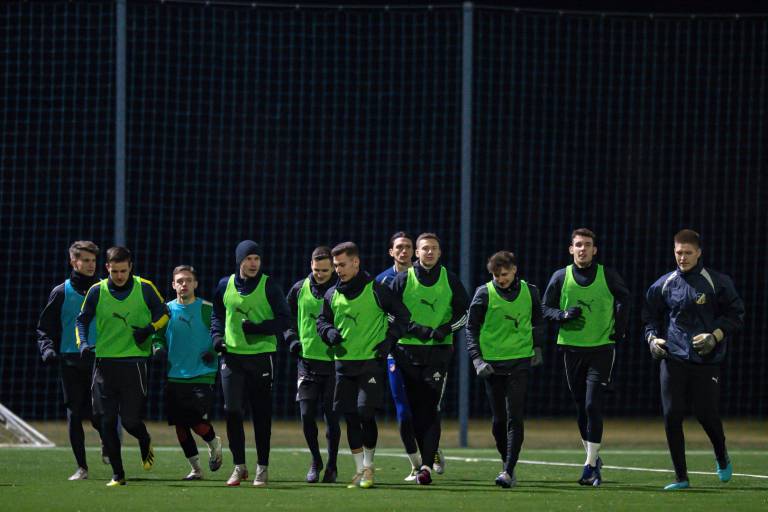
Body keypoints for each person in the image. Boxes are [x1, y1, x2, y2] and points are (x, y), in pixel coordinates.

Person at [642, 229, 744, 490]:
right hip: (673, 357)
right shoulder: (664, 284)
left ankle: (721, 455)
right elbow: (649, 316)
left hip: (706, 360)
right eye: (679, 252)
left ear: (699, 253)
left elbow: (736, 315)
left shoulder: (717, 282)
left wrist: (715, 336)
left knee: (706, 414)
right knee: (671, 415)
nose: (682, 257)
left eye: (688, 253)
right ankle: (681, 477)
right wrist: (652, 339)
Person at [316, 242, 410, 489]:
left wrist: (388, 341)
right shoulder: (332, 294)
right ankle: (359, 470)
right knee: (350, 417)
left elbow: (403, 315)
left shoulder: (377, 289)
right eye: (336, 265)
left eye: (342, 265)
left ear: (356, 262)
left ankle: (369, 467)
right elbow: (322, 321)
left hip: (370, 363)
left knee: (365, 412)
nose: (338, 270)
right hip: (343, 364)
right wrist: (328, 332)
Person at [542, 228, 629, 487]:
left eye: (587, 245)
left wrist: (620, 328)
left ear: (594, 250)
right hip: (571, 349)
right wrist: (562, 315)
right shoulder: (561, 276)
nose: (583, 249)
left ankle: (590, 466)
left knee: (592, 405)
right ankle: (593, 458)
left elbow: (624, 299)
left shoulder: (608, 275)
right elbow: (544, 308)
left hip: (601, 349)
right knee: (581, 406)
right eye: (578, 245)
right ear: (571, 249)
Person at [76, 246, 169, 486]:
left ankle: (144, 438)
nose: (119, 275)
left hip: (134, 364)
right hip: (104, 364)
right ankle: (118, 474)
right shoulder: (97, 291)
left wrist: (149, 329)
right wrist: (83, 343)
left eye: (123, 271)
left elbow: (164, 313)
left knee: (129, 422)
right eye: (114, 271)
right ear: (107, 267)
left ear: (130, 267)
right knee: (104, 421)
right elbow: (82, 320)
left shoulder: (145, 287)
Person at [389, 233, 469, 485]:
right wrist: (414, 329)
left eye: (434, 248)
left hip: (438, 352)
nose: (430, 252)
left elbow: (465, 313)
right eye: (425, 248)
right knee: (411, 412)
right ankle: (424, 456)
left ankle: (424, 467)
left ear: (440, 252)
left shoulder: (450, 279)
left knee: (431, 408)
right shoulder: (403, 280)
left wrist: (446, 329)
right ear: (417, 253)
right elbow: (388, 313)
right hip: (406, 352)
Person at [210, 240, 290, 487]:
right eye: (248, 259)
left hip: (261, 357)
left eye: (257, 258)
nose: (253, 263)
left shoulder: (270, 286)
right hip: (232, 357)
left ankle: (262, 468)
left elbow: (285, 320)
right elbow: (217, 314)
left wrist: (258, 328)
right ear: (239, 261)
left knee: (261, 413)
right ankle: (239, 466)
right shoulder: (224, 285)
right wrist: (217, 337)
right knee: (232, 411)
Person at [466, 251, 544, 488]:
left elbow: (538, 321)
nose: (500, 279)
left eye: (504, 274)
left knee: (514, 417)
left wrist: (537, 347)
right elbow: (471, 328)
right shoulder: (483, 293)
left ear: (514, 270)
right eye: (496, 275)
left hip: (520, 361)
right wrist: (477, 360)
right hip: (492, 365)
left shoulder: (531, 292)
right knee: (498, 421)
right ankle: (505, 461)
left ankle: (508, 470)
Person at [36, 241, 106, 480]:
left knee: (99, 413)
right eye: (85, 260)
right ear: (73, 262)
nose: (90, 265)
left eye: (93, 260)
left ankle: (106, 441)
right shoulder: (61, 292)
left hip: (100, 358)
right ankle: (82, 468)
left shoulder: (105, 290)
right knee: (74, 413)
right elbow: (44, 328)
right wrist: (47, 349)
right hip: (70, 361)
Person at [152, 265, 223, 481]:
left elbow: (222, 333)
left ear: (196, 284)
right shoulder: (165, 310)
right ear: (173, 285)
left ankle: (214, 442)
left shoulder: (207, 309)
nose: (184, 284)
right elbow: (157, 336)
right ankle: (196, 469)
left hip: (202, 374)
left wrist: (214, 351)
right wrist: (158, 348)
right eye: (180, 281)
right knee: (180, 426)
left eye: (188, 280)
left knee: (194, 420)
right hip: (175, 375)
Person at [284, 246, 341, 484]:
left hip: (335, 364)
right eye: (317, 270)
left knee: (332, 418)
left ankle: (332, 465)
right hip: (306, 363)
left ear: (333, 269)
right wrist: (292, 339)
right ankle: (316, 461)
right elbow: (286, 319)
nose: (320, 274)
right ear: (311, 265)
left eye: (325, 270)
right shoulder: (299, 289)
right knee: (306, 415)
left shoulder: (341, 290)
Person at [374, 232, 427, 480]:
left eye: (408, 247)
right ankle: (416, 465)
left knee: (426, 409)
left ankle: (431, 448)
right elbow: (379, 314)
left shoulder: (426, 276)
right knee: (403, 412)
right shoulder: (381, 281)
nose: (403, 251)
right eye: (399, 247)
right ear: (391, 252)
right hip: (396, 352)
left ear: (414, 251)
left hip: (426, 352)